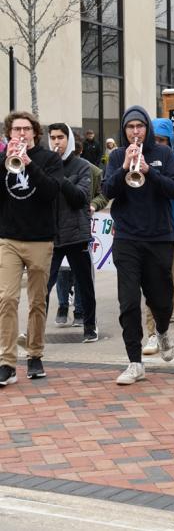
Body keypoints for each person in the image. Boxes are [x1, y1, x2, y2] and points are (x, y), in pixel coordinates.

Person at [102, 106, 174, 385]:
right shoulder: (117, 156)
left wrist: (149, 171)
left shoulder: (164, 154)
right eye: (130, 127)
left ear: (147, 127)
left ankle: (161, 330)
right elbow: (107, 191)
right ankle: (134, 361)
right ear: (124, 130)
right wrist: (125, 169)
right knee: (128, 302)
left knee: (161, 298)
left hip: (159, 236)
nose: (135, 132)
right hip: (127, 238)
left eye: (140, 126)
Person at [0, 111, 63, 386]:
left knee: (38, 301)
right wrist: (6, 163)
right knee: (7, 299)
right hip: (9, 239)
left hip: (40, 238)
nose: (22, 134)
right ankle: (6, 362)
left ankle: (35, 355)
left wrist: (27, 163)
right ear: (9, 134)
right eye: (17, 130)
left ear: (35, 132)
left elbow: (51, 192)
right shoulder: (2, 160)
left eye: (27, 129)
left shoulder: (49, 159)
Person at [141, 119, 174, 356]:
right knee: (150, 284)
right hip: (146, 229)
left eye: (163, 140)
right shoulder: (140, 160)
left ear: (171, 142)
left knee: (169, 280)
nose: (158, 145)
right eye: (155, 140)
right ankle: (152, 334)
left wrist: (165, 179)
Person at [45, 124, 98, 342]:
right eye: (53, 138)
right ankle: (35, 330)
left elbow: (80, 198)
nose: (56, 142)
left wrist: (60, 176)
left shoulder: (83, 166)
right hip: (51, 234)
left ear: (69, 140)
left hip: (77, 234)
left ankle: (90, 326)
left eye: (61, 137)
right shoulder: (45, 165)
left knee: (85, 284)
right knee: (43, 287)